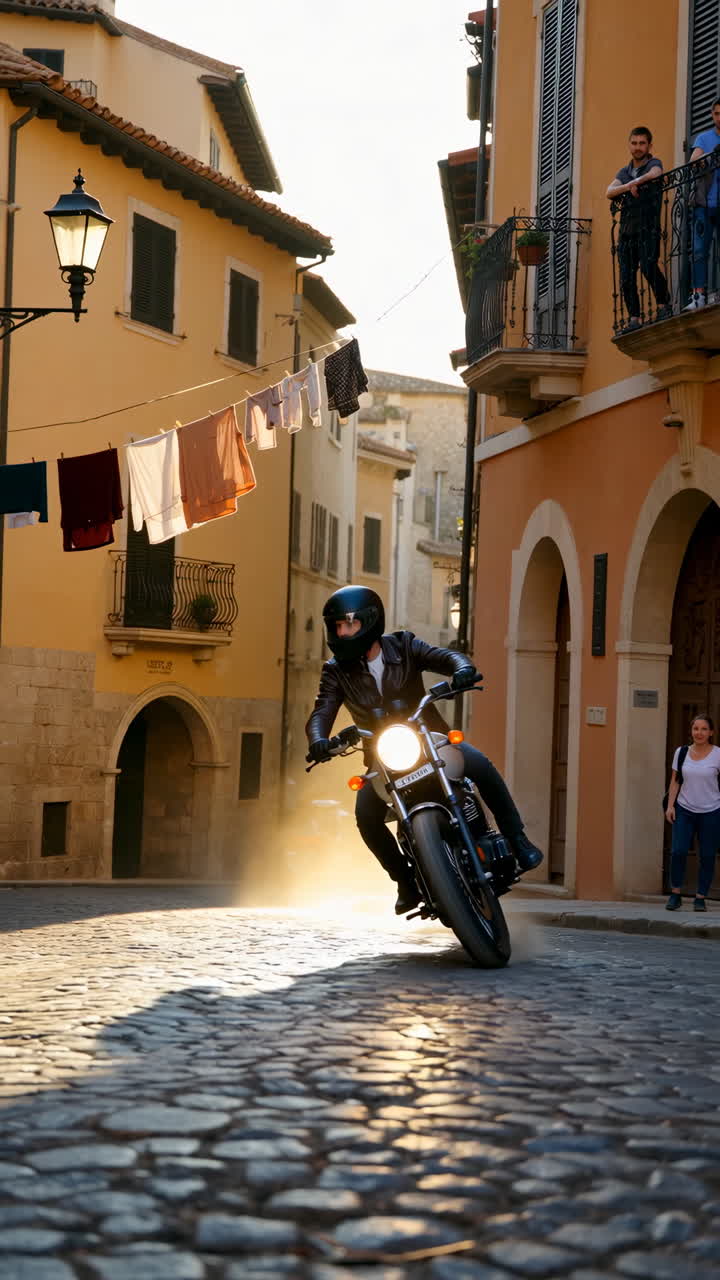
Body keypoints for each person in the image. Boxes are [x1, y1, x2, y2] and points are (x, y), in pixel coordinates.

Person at [306, 585, 543, 915]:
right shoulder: (335, 671)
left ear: (370, 621)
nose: (343, 632)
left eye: (349, 625)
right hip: (383, 756)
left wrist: (461, 669)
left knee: (479, 764)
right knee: (365, 816)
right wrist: (318, 739)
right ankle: (405, 882)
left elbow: (444, 656)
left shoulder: (403, 645)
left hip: (428, 737)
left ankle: (518, 841)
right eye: (337, 627)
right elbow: (322, 709)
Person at [606, 126, 670, 328]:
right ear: (629, 145)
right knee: (626, 276)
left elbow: (656, 173)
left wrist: (636, 182)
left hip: (648, 226)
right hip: (627, 229)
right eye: (634, 143)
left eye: (642, 143)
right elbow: (609, 191)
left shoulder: (653, 162)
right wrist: (629, 186)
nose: (638, 147)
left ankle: (663, 305)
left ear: (649, 145)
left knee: (649, 266)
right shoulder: (624, 171)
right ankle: (635, 317)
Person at [665, 714, 720, 912]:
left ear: (711, 732)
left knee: (707, 855)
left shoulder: (718, 754)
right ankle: (675, 893)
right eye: (696, 728)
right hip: (684, 809)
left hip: (711, 811)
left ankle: (700, 897)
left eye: (704, 729)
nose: (699, 733)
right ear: (691, 731)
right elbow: (675, 781)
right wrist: (670, 806)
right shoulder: (681, 753)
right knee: (678, 851)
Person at [686, 98, 720, 311]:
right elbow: (693, 160)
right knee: (699, 250)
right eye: (717, 113)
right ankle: (698, 295)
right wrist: (709, 157)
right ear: (712, 115)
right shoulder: (704, 138)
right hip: (705, 203)